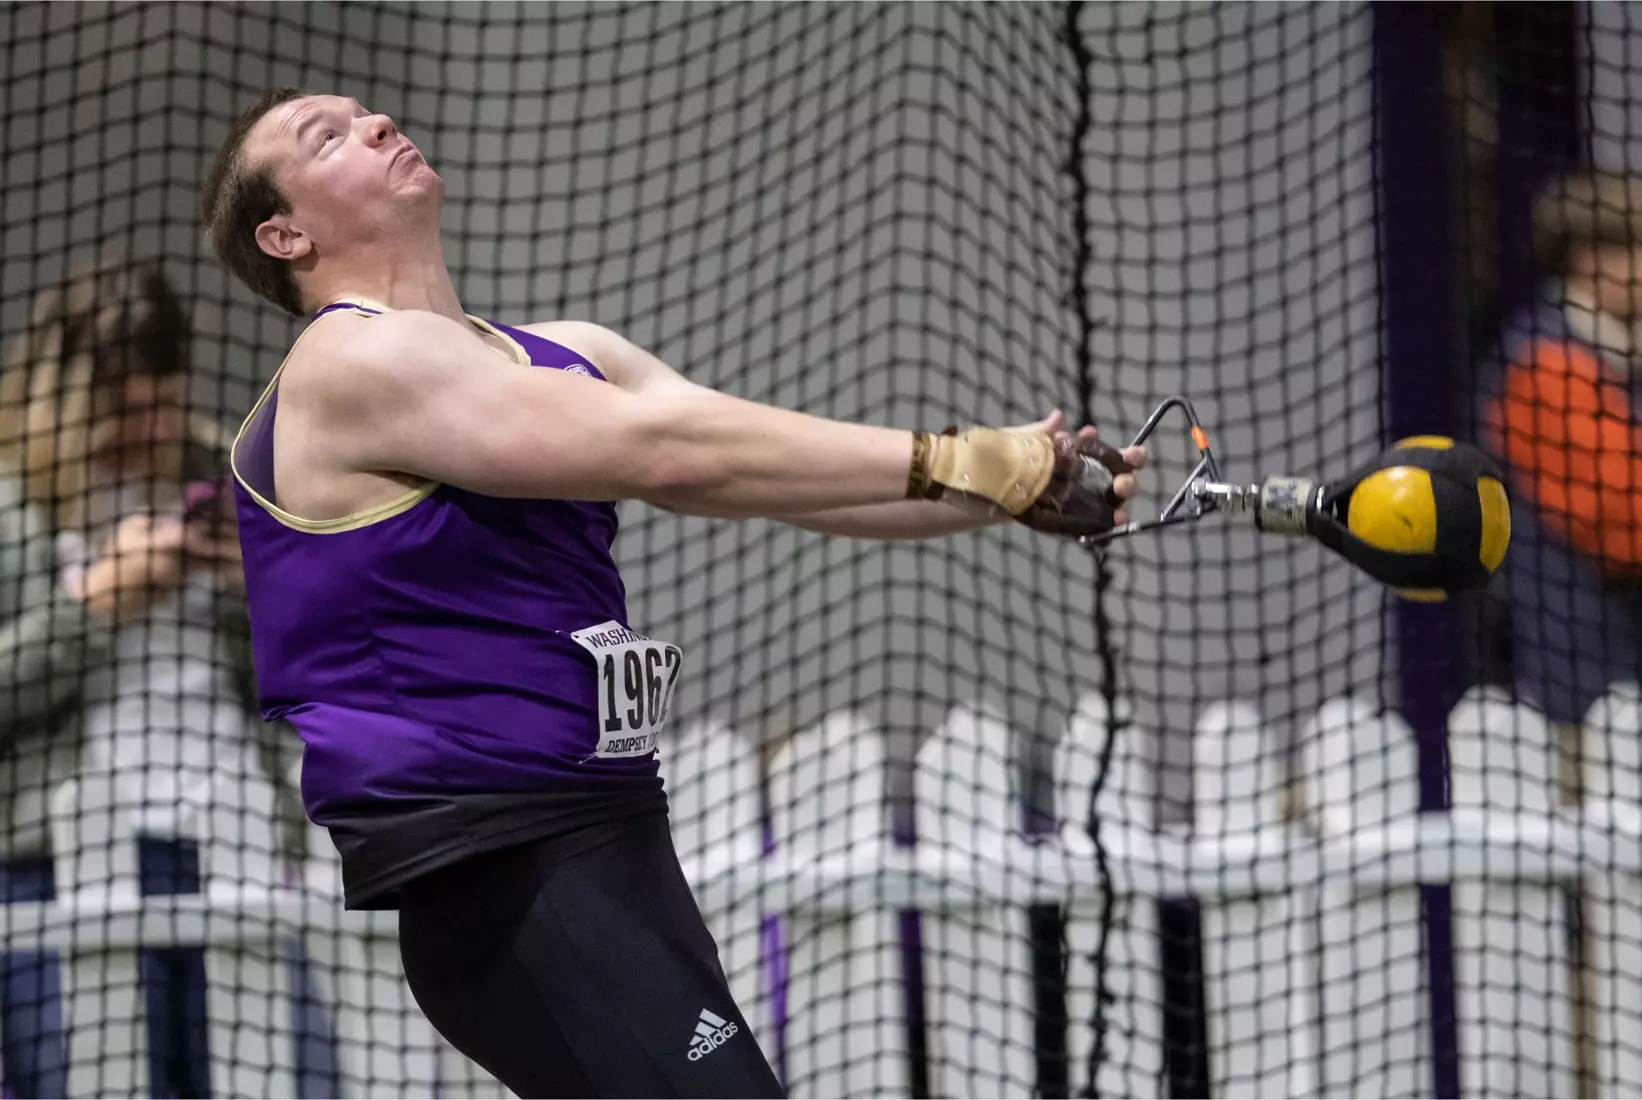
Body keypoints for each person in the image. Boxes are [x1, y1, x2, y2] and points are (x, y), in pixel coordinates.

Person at [200, 87, 1146, 1099]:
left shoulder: (567, 350)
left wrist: (1003, 494)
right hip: (499, 863)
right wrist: (960, 457)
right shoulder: (346, 361)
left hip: (611, 832)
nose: (376, 125)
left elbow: (753, 473)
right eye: (327, 138)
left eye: (364, 113)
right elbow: (667, 449)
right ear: (285, 233)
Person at [0, 259, 322, 1097]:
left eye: (164, 402)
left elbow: (317, 680)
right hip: (53, 859)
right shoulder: (12, 503)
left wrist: (262, 593)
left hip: (235, 839)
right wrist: (94, 610)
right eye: (123, 409)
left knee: (297, 1077)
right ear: (65, 400)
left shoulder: (232, 471)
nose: (150, 428)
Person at [1483, 171, 1642, 732]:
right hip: (1585, 691)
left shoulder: (1621, 357)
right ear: (1582, 256)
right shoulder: (1543, 364)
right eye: (1630, 250)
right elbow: (1623, 522)